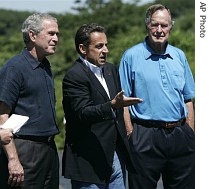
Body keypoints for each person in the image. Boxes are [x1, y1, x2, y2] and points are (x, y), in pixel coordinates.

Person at [119, 4, 195, 189]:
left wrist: (190, 130)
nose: (159, 30)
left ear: (170, 27)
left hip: (180, 135)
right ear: (147, 25)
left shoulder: (179, 56)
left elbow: (188, 98)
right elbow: (123, 103)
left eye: (164, 25)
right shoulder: (131, 56)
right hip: (145, 135)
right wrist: (131, 135)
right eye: (155, 25)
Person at [62, 23, 142, 189]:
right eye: (99, 46)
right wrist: (112, 105)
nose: (105, 50)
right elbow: (83, 112)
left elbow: (120, 104)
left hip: (115, 155)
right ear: (83, 49)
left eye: (106, 45)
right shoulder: (74, 76)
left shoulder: (111, 69)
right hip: (88, 160)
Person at [0, 13, 60, 189]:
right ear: (32, 35)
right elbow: (2, 116)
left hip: (48, 148)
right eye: (51, 33)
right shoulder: (14, 68)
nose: (56, 39)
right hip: (25, 150)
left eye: (57, 34)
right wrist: (13, 159)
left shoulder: (46, 66)